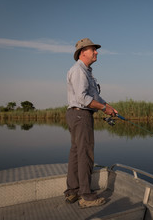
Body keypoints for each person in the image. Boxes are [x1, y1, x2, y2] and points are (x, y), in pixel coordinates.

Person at [64, 38, 118, 208]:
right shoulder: (79, 70)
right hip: (81, 115)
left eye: (96, 49)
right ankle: (87, 197)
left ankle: (72, 192)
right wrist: (103, 108)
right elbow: (83, 98)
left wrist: (108, 106)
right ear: (82, 52)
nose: (96, 52)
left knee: (76, 153)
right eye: (93, 49)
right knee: (85, 154)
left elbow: (94, 95)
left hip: (76, 115)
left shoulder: (86, 71)